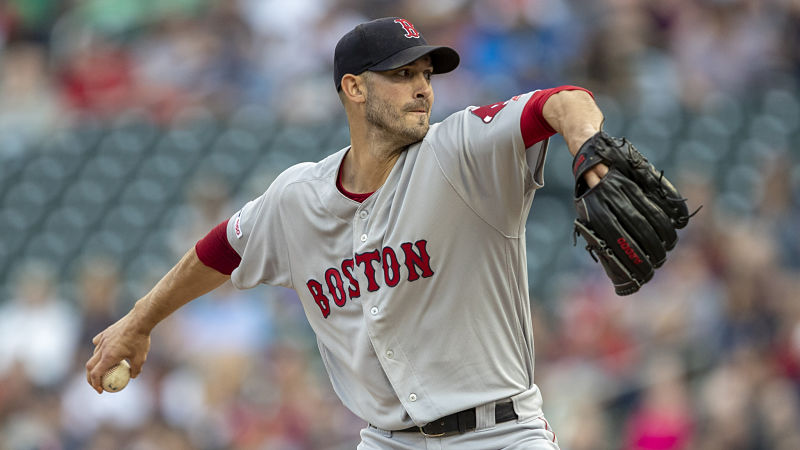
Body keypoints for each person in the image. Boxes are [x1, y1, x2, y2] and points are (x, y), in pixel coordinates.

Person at [87, 17, 610, 448]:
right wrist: (138, 321)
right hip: (387, 440)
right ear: (354, 88)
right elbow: (220, 250)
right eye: (403, 74)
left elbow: (563, 101)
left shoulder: (462, 151)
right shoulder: (297, 197)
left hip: (499, 434)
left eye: (427, 73)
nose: (423, 88)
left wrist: (588, 148)